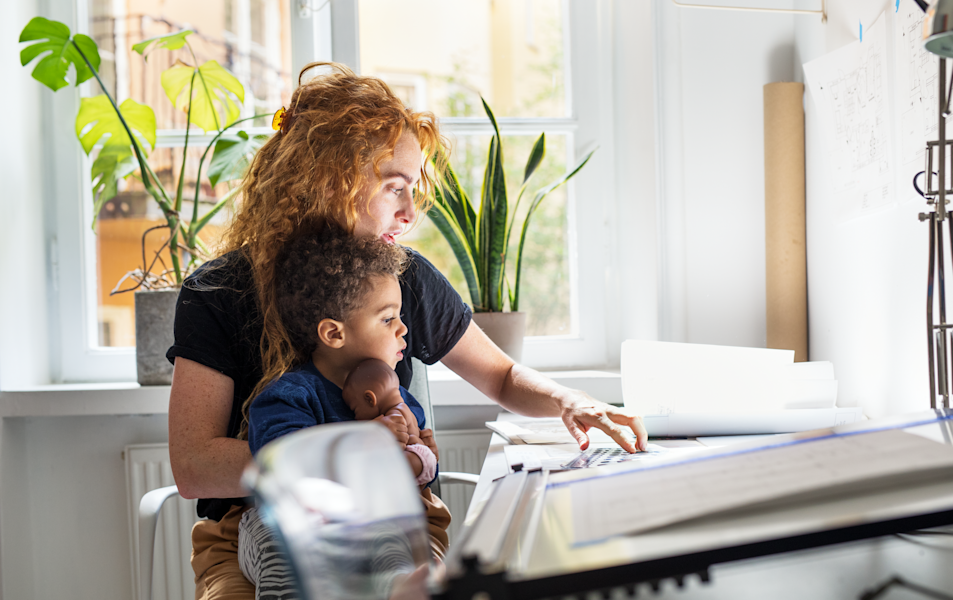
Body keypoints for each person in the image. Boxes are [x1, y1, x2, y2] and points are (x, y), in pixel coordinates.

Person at [167, 62, 648, 600]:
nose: (411, 211)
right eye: (394, 187)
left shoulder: (405, 277)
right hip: (249, 530)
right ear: (329, 178)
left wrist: (570, 399)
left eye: (413, 188)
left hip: (395, 519)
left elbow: (504, 377)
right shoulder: (218, 291)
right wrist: (351, 459)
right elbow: (194, 467)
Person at [237, 228, 444, 600]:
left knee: (395, 555)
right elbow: (285, 473)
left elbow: (421, 470)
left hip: (368, 521)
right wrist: (370, 445)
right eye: (387, 319)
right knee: (281, 553)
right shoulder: (289, 396)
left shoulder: (396, 397)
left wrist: (418, 456)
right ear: (334, 333)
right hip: (286, 525)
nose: (403, 329)